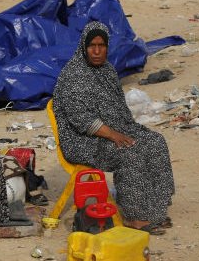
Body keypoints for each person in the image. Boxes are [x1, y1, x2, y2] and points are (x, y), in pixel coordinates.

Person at [52, 22, 175, 235]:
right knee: (130, 153)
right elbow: (82, 119)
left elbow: (118, 107)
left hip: (112, 130)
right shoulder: (73, 75)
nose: (97, 51)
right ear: (83, 46)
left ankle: (154, 211)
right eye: (92, 45)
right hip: (83, 140)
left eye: (102, 45)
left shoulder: (107, 70)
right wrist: (113, 134)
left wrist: (124, 130)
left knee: (155, 142)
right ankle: (134, 216)